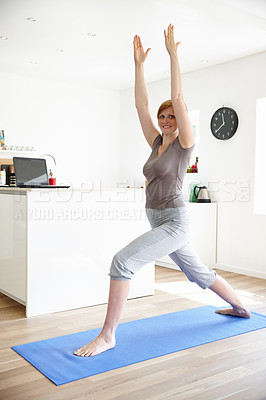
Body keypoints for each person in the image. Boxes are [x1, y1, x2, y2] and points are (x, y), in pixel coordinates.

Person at [74, 24, 250, 358]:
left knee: (121, 262)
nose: (167, 119)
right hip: (158, 221)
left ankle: (108, 335)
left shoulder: (185, 144)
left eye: (172, 116)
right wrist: (139, 66)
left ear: (181, 121)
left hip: (174, 221)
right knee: (199, 274)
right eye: (164, 116)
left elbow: (180, 98)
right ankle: (242, 308)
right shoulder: (156, 141)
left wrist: (173, 55)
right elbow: (141, 107)